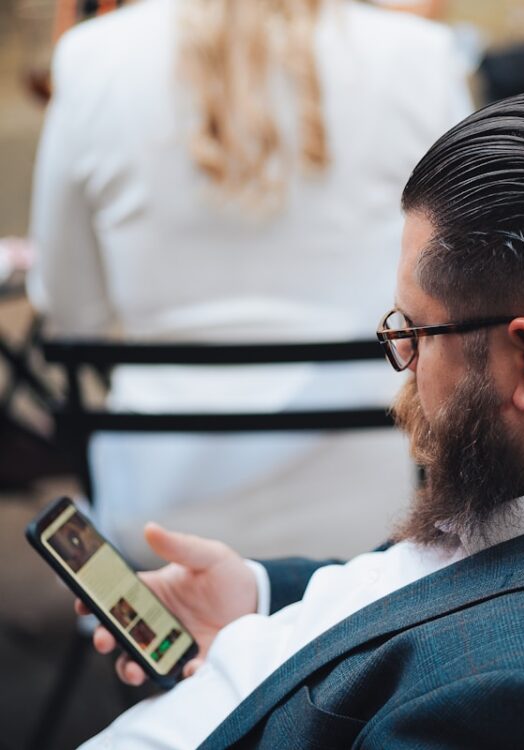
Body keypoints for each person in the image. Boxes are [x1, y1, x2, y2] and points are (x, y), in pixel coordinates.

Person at [75, 90, 524, 749]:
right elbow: (450, 583)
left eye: (416, 332)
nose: (405, 365)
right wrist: (262, 600)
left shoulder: (521, 709)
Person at [28, 0, 472, 565]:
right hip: (375, 498)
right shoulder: (419, 55)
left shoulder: (92, 58)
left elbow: (70, 309)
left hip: (159, 509)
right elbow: (464, 280)